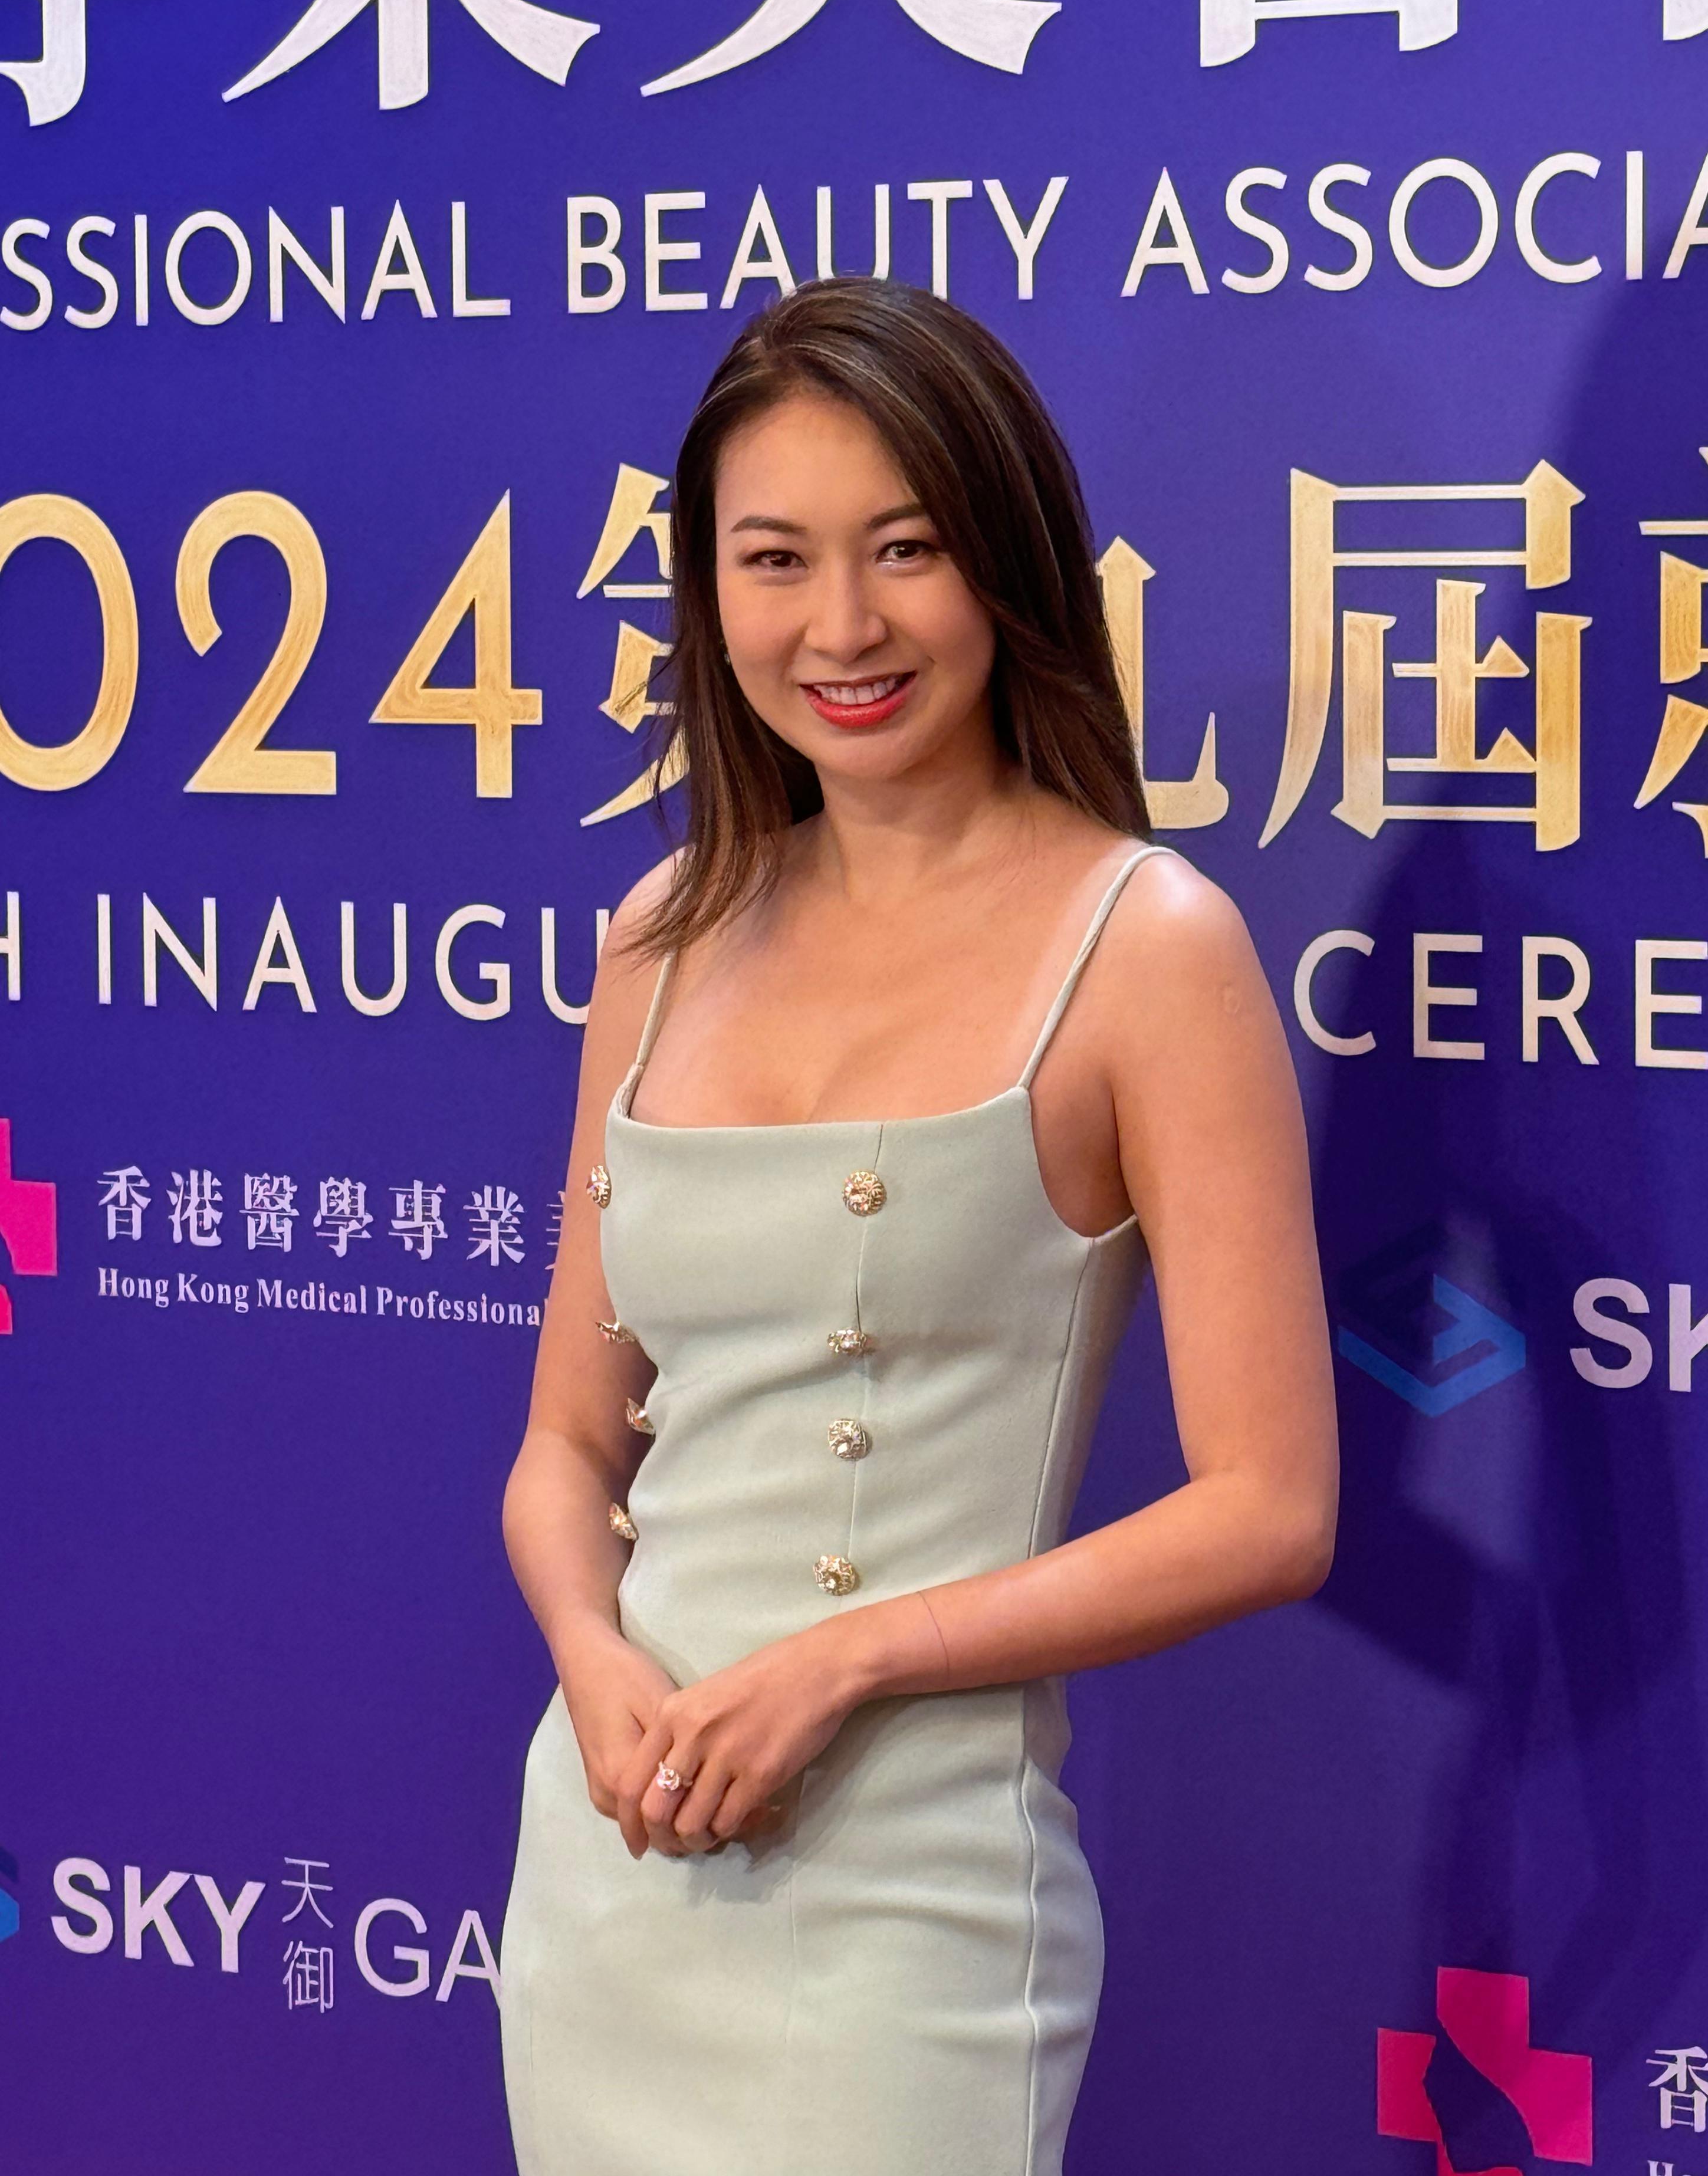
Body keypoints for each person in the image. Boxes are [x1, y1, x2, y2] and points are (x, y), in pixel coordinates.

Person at [498, 277, 1337, 2176]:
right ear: (707, 590)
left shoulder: (1148, 947)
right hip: (612, 1864)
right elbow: (565, 1446)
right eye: (775, 559)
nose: (843, 627)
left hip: (907, 1904)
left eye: (906, 550)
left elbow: (1271, 1509)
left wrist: (848, 1659)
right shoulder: (659, 938)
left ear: (1009, 561)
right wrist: (594, 1663)